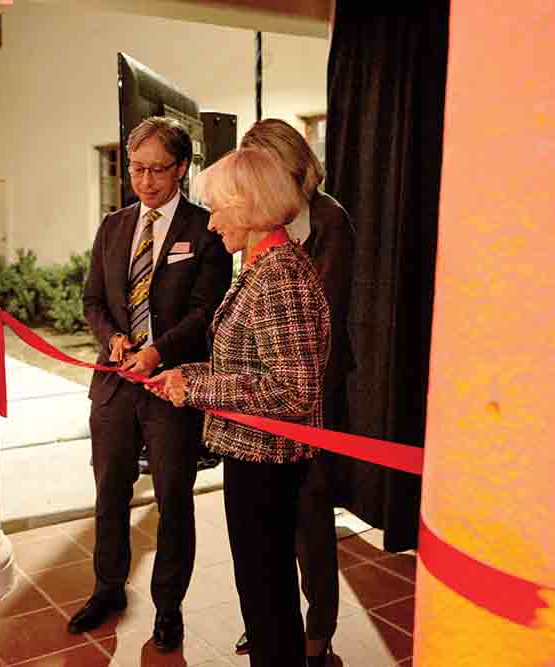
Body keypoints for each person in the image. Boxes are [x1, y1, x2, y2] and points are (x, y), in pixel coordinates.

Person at [148, 147, 330, 666]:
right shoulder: (266, 267)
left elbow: (293, 391)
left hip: (268, 462)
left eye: (218, 208)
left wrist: (200, 389)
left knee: (267, 598)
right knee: (262, 595)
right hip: (255, 459)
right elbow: (251, 369)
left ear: (249, 206)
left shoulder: (279, 278)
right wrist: (189, 375)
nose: (210, 222)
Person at [74, 117, 232, 651]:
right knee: (110, 492)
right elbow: (93, 300)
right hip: (116, 386)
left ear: (182, 168)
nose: (144, 181)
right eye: (136, 169)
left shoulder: (206, 229)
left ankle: (169, 608)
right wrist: (115, 338)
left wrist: (157, 351)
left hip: (170, 386)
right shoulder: (114, 226)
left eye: (157, 170)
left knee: (173, 499)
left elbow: (206, 310)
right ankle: (108, 588)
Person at [230, 119, 355, 663]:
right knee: (270, 525)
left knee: (311, 515)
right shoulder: (256, 219)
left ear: (294, 165)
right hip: (267, 394)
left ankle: (317, 628)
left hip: (314, 392)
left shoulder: (330, 219)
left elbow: (317, 321)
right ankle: (272, 623)